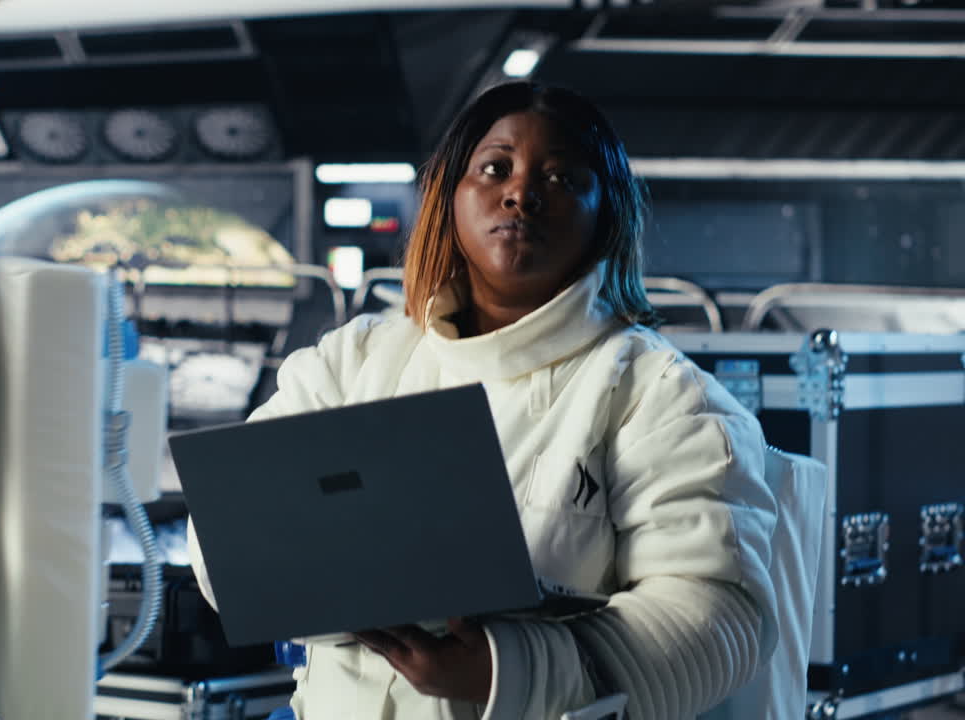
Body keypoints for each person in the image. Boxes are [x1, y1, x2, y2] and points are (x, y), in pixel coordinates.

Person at [187, 81, 778, 719]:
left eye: (562, 179)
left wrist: (506, 669)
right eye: (495, 168)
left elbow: (721, 617)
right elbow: (229, 536)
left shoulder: (658, 396)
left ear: (605, 213)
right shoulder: (354, 361)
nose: (521, 192)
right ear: (451, 195)